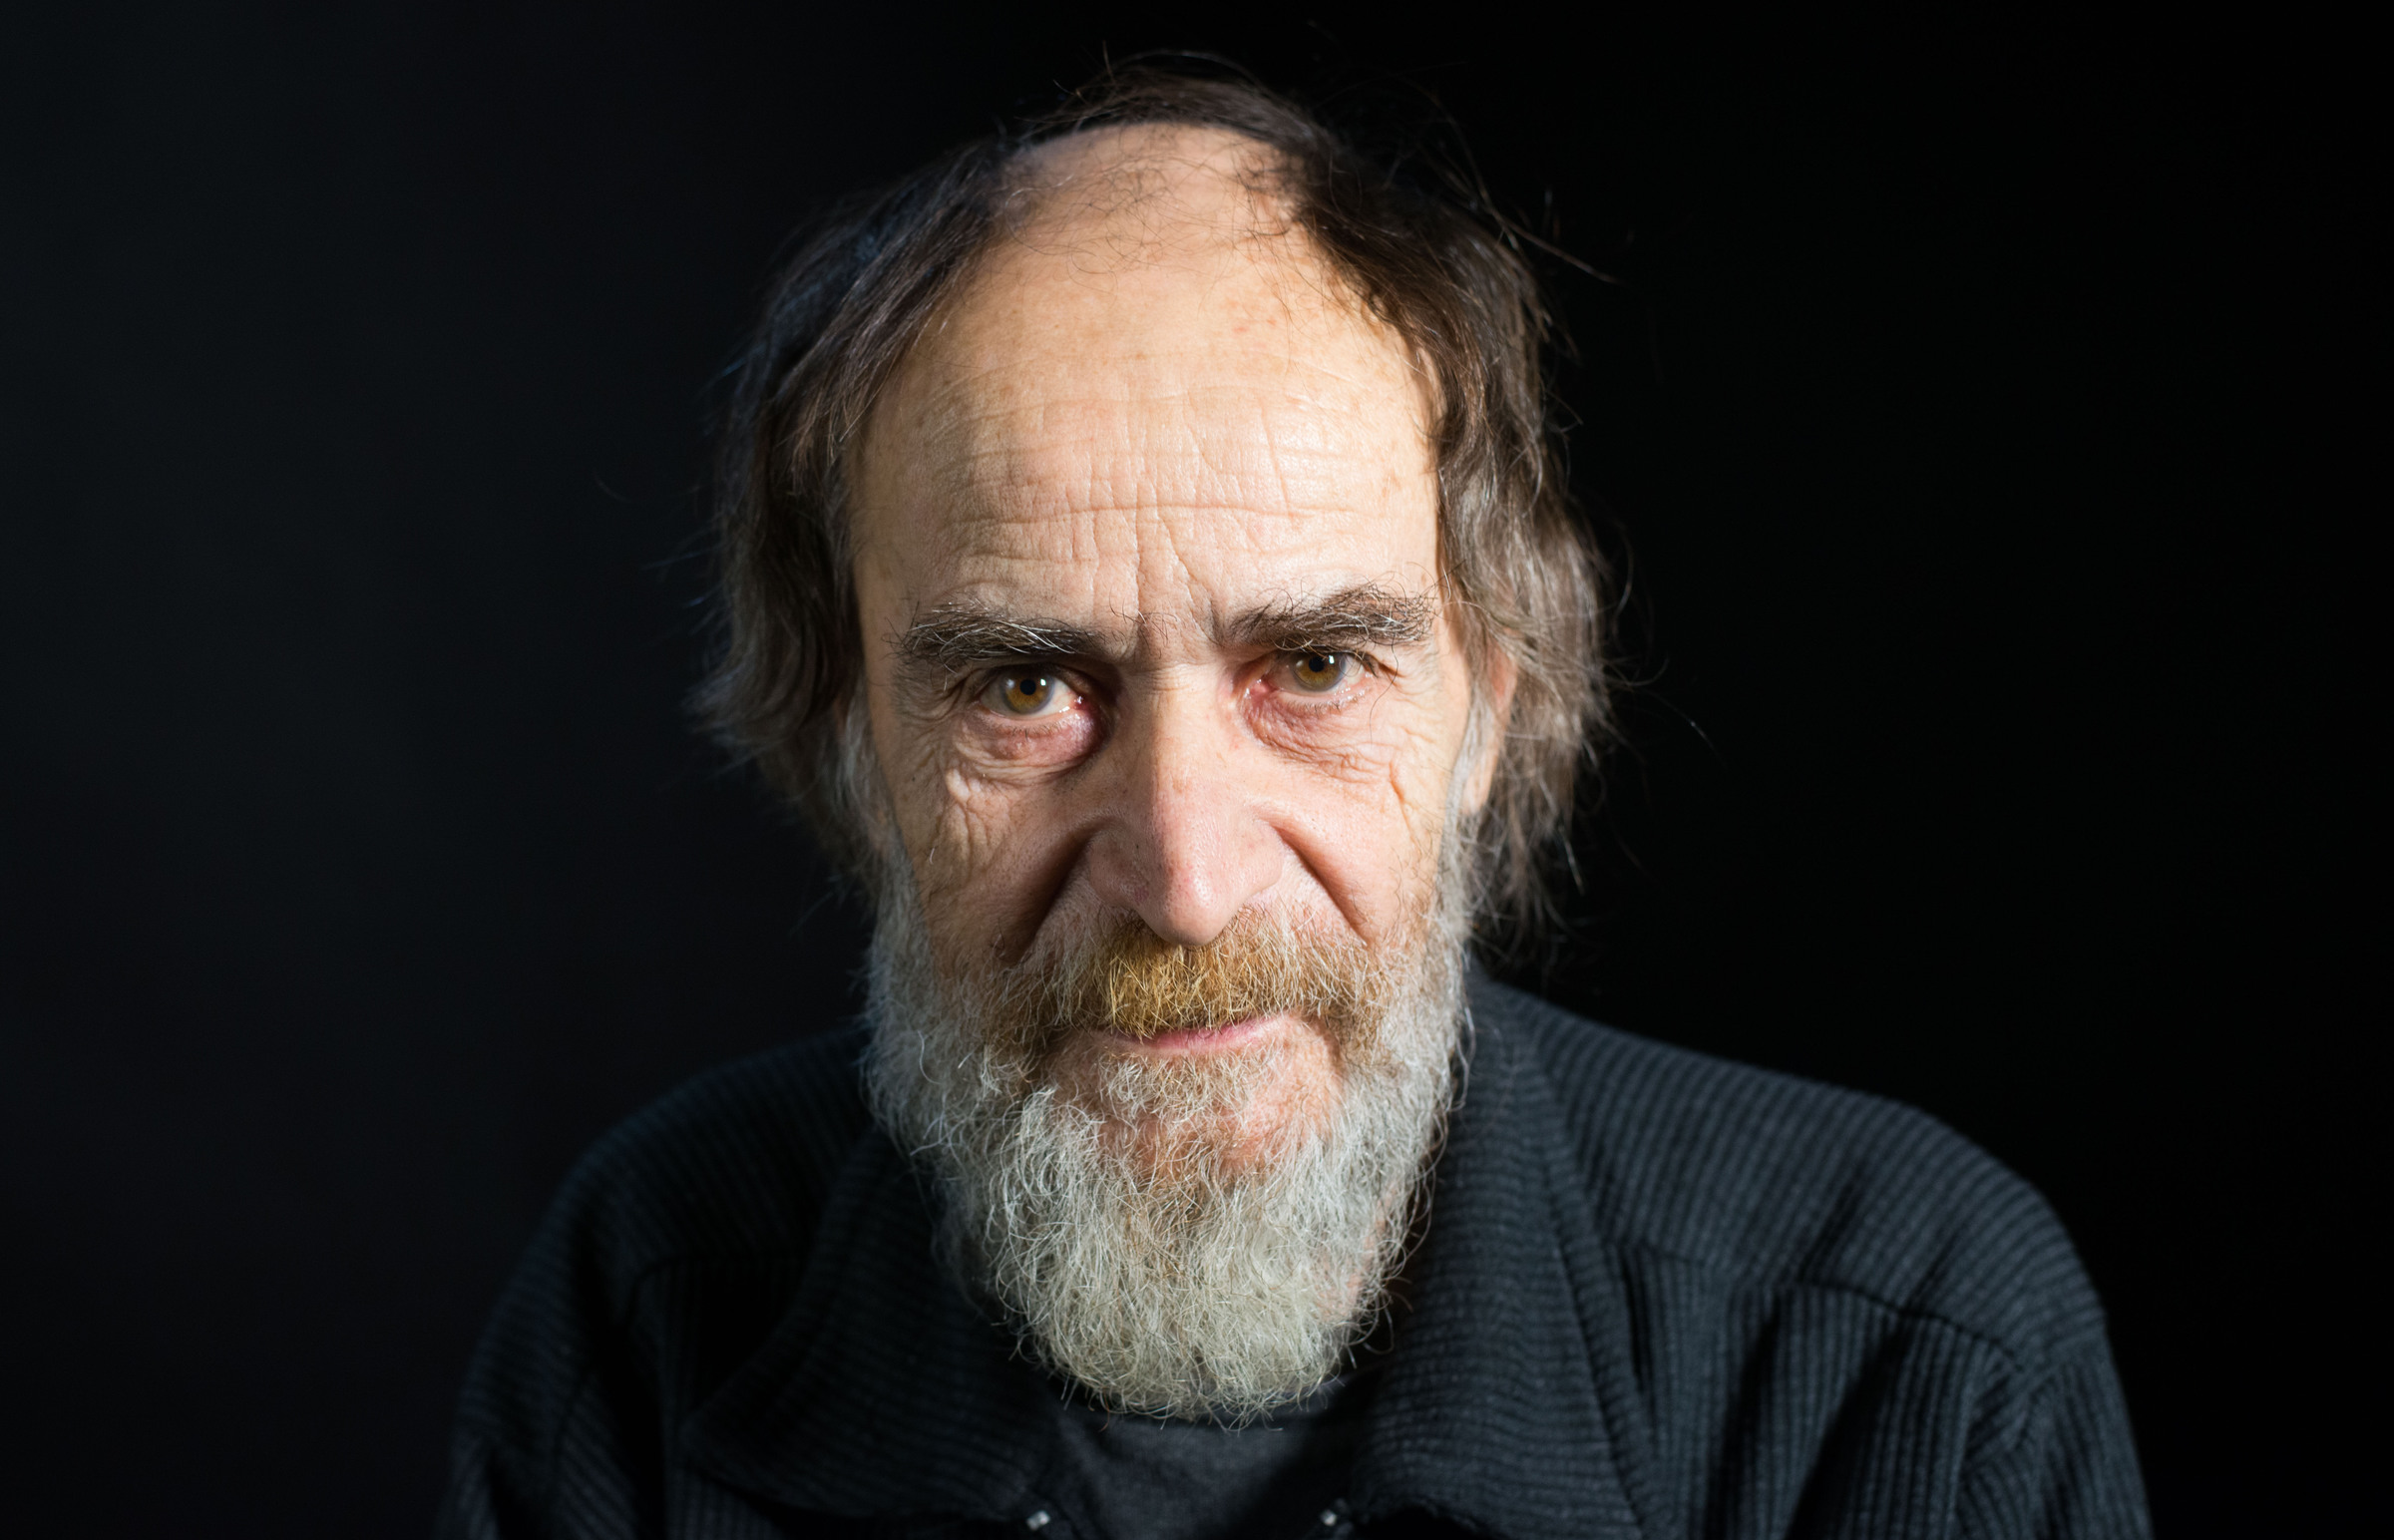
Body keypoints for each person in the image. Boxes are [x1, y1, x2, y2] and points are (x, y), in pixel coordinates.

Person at [440, 68, 2150, 1540]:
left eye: (1316, 667)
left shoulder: (1908, 1356)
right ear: (852, 750)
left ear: (1491, 707)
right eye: (1026, 687)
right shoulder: (649, 1304)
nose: (1186, 879)